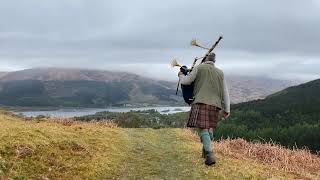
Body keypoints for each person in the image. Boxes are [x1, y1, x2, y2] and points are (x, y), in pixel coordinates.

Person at [178, 52, 230, 166]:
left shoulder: (199, 68)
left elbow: (187, 81)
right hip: (215, 105)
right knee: (209, 128)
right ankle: (206, 152)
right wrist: (227, 109)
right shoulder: (220, 73)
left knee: (203, 129)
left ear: (205, 59)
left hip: (201, 102)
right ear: (214, 61)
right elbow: (225, 92)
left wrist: (180, 75)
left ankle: (210, 154)